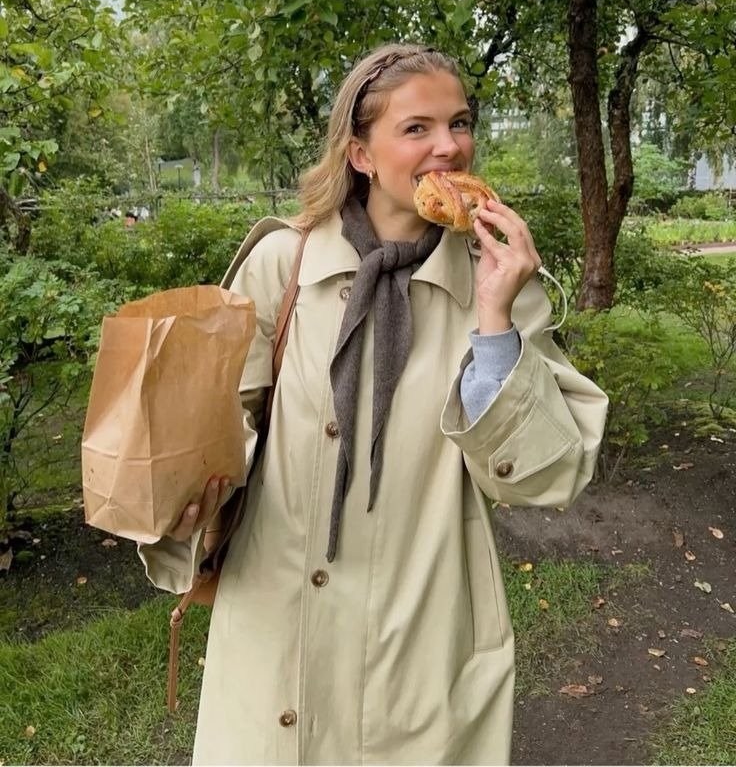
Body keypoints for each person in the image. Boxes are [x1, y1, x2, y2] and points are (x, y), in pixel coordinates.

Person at [138, 44, 608, 765]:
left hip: (421, 636)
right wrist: (189, 485)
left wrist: (493, 323)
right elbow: (220, 425)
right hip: (276, 623)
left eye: (459, 123)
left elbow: (544, 477)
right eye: (417, 128)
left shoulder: (501, 283)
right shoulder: (282, 265)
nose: (448, 145)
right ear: (360, 153)